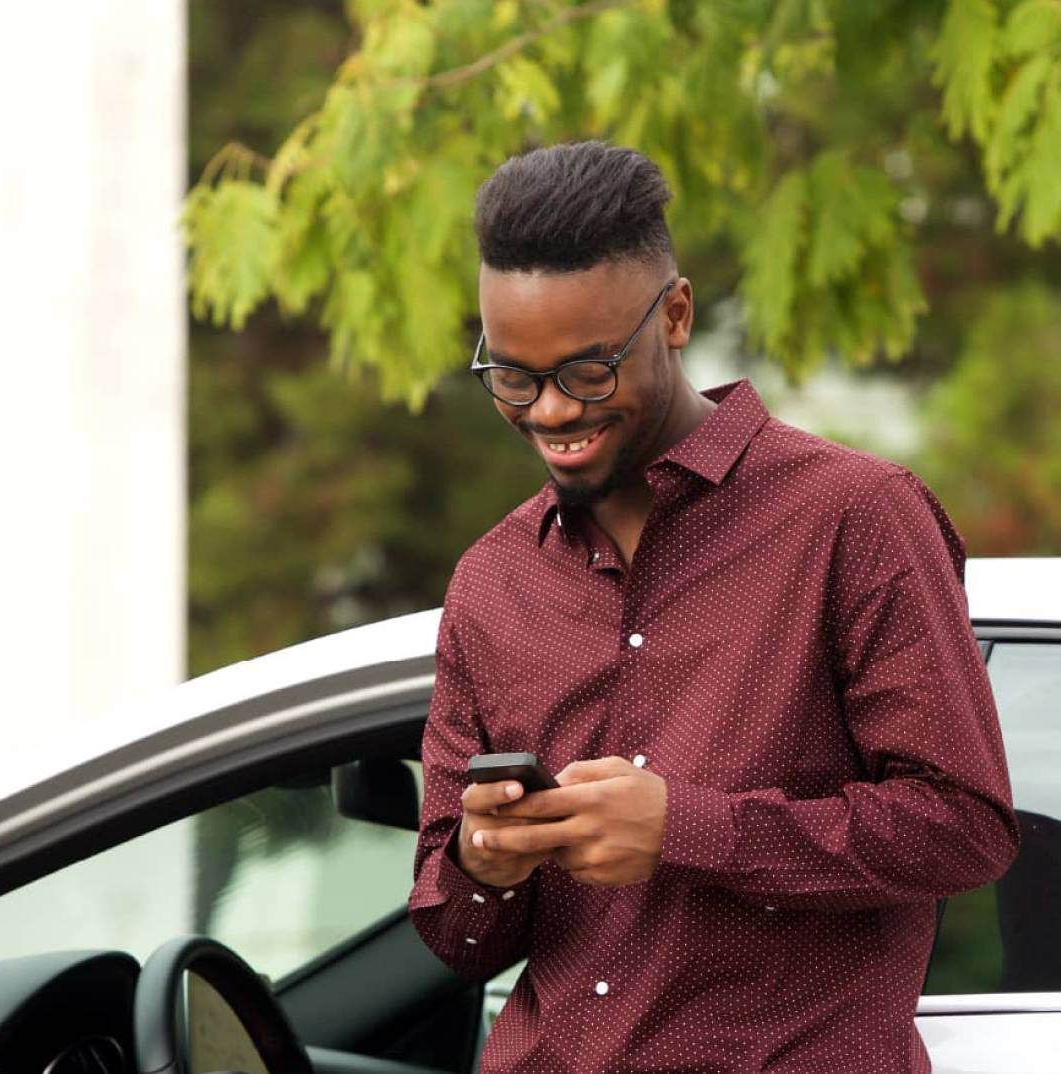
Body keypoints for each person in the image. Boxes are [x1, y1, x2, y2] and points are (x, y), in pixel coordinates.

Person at [407, 140, 1019, 1073]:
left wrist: (686, 829)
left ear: (677, 314)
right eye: (515, 379)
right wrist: (484, 865)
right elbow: (458, 938)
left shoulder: (853, 518)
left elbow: (964, 826)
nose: (552, 414)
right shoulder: (492, 583)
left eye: (587, 372)